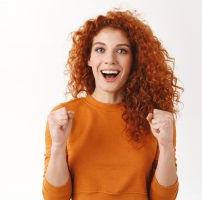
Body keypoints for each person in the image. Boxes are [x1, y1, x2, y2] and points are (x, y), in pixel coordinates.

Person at [42, 9, 184, 200]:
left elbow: (164, 198)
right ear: (89, 58)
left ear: (134, 60)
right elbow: (55, 198)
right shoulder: (64, 117)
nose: (110, 59)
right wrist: (59, 146)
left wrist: (166, 146)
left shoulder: (155, 120)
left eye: (121, 51)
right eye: (100, 49)